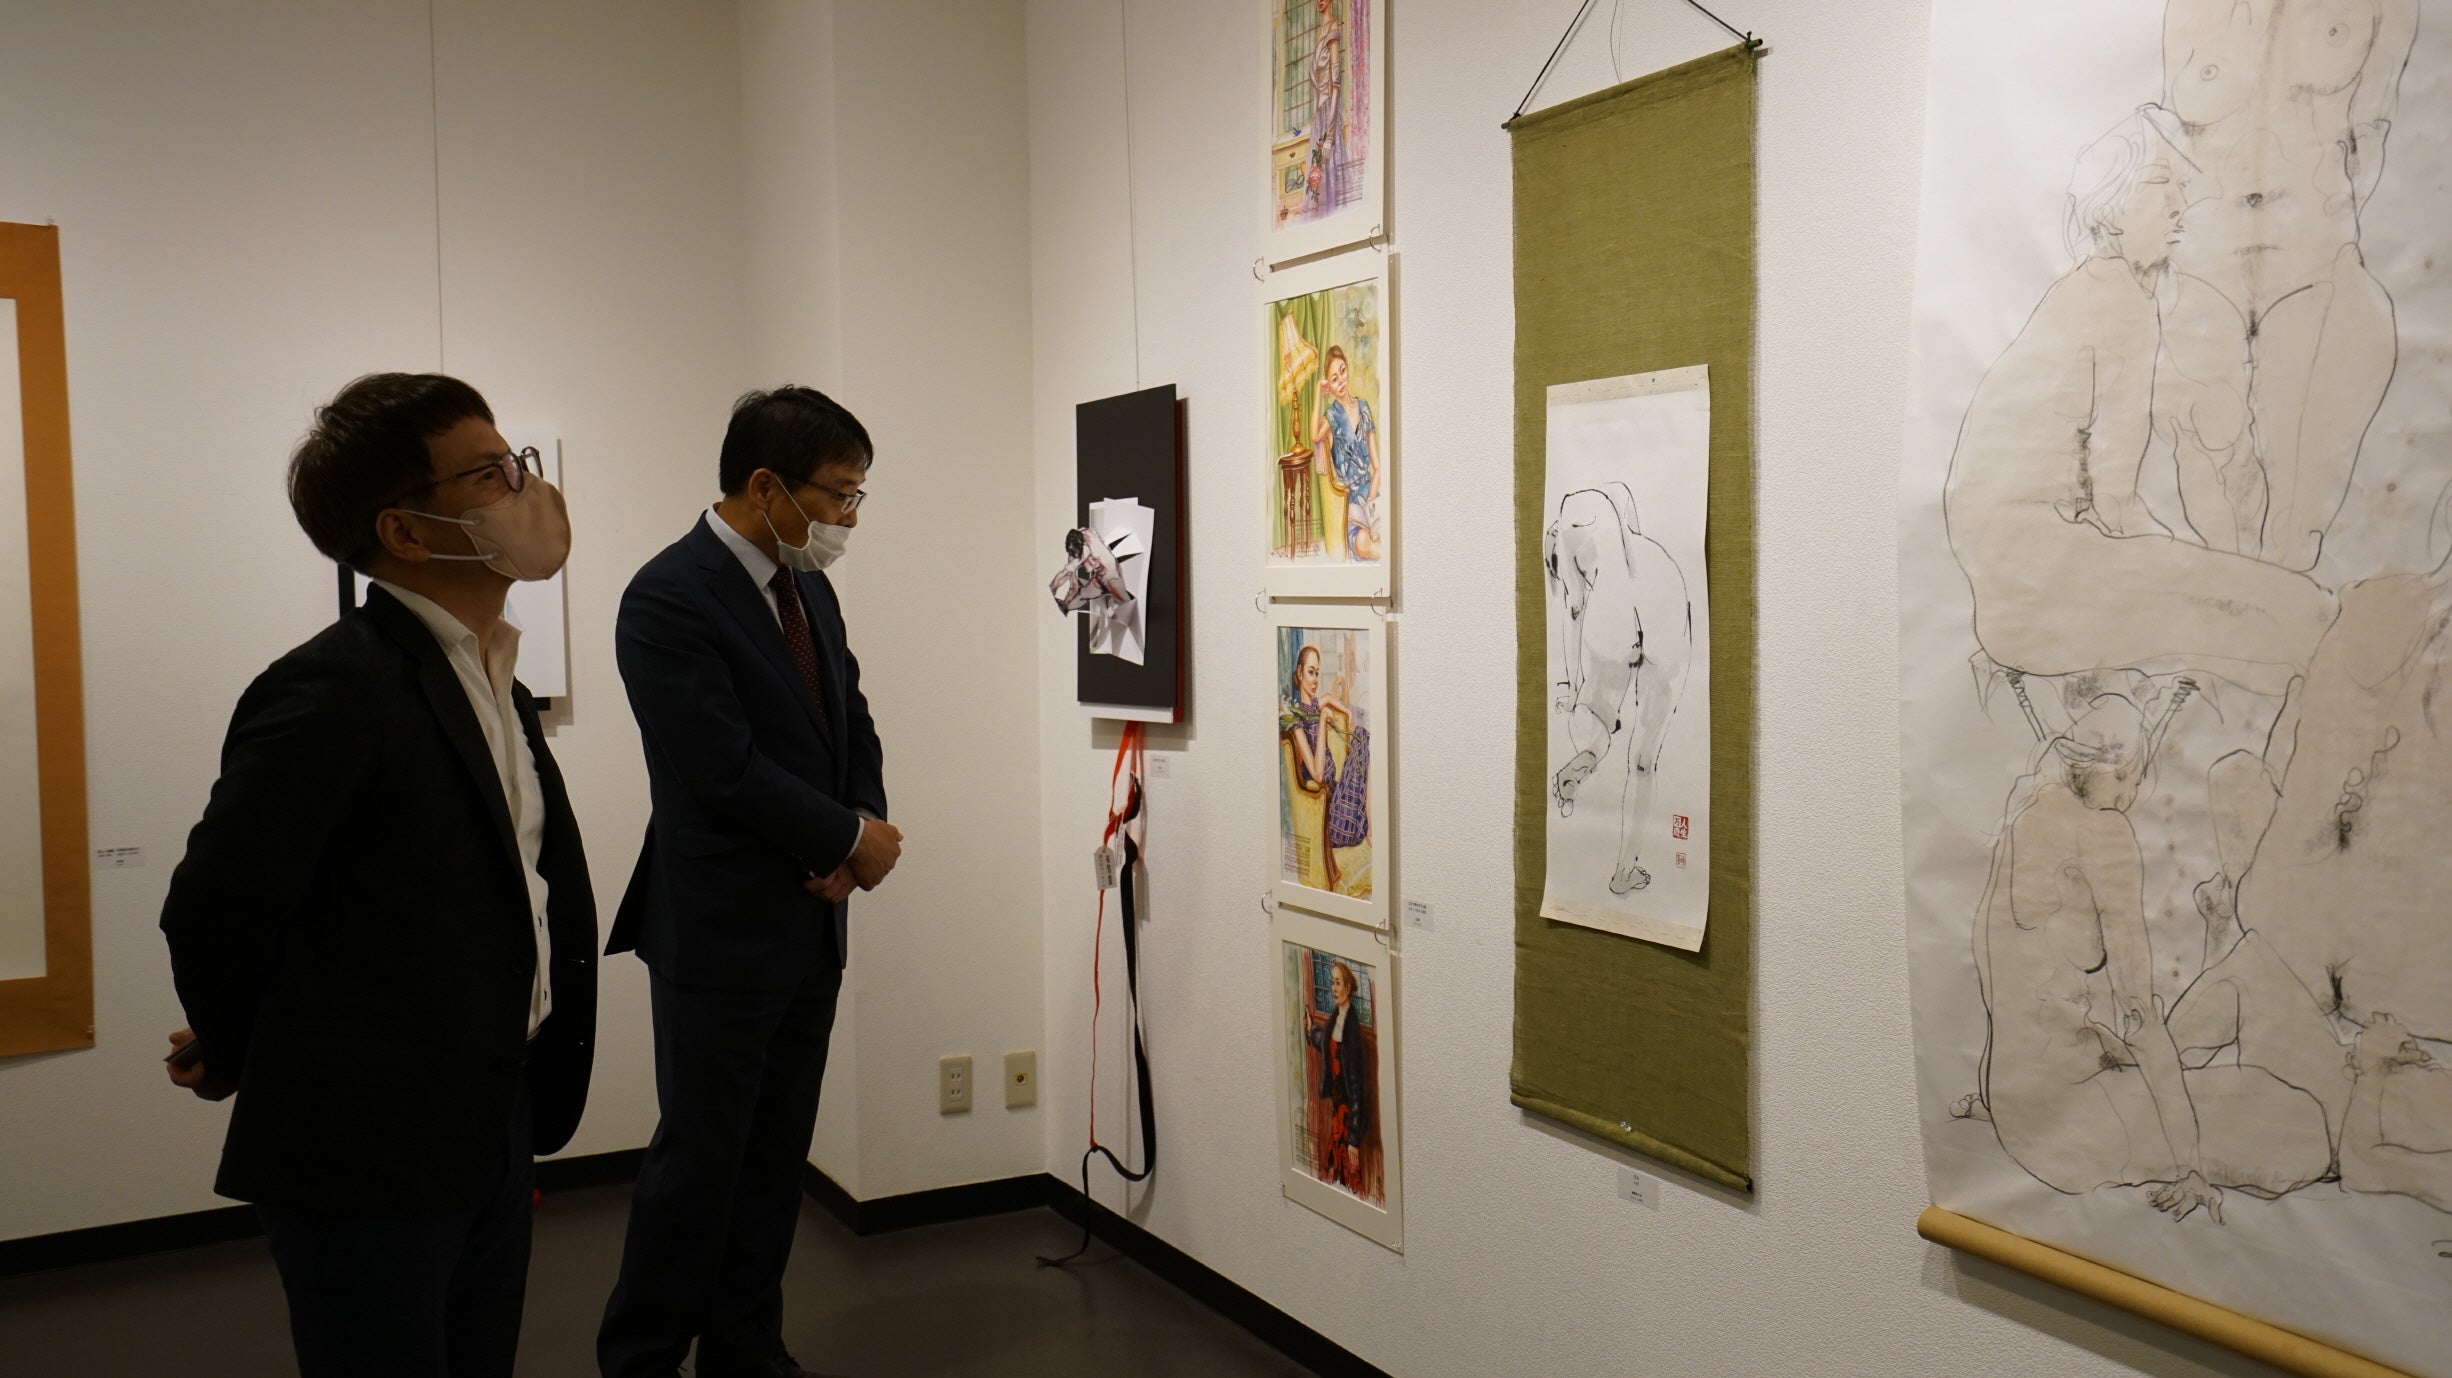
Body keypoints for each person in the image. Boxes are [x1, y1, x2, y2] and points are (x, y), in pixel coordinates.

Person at [159, 372, 597, 1378]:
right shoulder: (333, 688)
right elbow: (215, 906)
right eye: (489, 475)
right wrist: (240, 1046)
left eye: (517, 462)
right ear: (403, 531)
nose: (524, 488)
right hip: (368, 1147)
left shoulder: (494, 680)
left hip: (492, 1113)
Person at [599, 386, 900, 1378]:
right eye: (839, 495)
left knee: (775, 1160)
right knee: (699, 1163)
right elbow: (718, 766)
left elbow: (850, 719)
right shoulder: (667, 595)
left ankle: (745, 1347)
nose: (848, 518)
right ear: (766, 485)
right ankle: (641, 1357)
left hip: (810, 922)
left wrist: (859, 825)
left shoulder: (808, 587)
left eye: (857, 496)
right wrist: (848, 836)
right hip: (720, 928)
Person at [1942, 109, 2336, 699]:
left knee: (2275, 620)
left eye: (2182, 183)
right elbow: (2117, 501)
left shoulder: (2092, 286)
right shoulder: (2117, 300)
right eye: (2158, 183)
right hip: (2049, 589)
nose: (2180, 202)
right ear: (2111, 205)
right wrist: (2199, 568)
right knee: (2301, 611)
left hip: (2022, 586)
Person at [1961, 695, 2331, 1219]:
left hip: (2018, 1106)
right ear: (2124, 769)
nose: (2137, 792)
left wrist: (1997, 1098)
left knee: (2241, 1007)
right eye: (2137, 777)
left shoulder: (2024, 816)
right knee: (2301, 1124)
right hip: (2072, 1129)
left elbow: (1996, 985)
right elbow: (2143, 1019)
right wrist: (2189, 1166)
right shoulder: (2104, 833)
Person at [2155, 0, 2414, 570]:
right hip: (2204, 256)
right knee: (2214, 486)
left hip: (2311, 255)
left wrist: (2323, 227)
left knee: (2297, 515)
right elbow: (2171, 131)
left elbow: (2372, 128)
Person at [1281, 642, 1352, 894]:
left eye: (1318, 673)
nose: (1315, 679)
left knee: (1363, 740)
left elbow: (1329, 698)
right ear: (1299, 673)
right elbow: (1318, 773)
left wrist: (1346, 713)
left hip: (1337, 790)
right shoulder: (1297, 720)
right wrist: (1322, 720)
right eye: (1311, 672)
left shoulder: (1314, 705)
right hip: (1330, 803)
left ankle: (1373, 833)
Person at [1302, 960, 1374, 1197]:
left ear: (1348, 988)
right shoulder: (1335, 1018)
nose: (1333, 988)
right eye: (1332, 983)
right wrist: (1311, 1029)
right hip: (1336, 1111)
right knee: (1334, 1170)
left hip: (1347, 1114)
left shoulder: (1351, 1031)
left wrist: (1354, 1138)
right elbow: (1327, 1043)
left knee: (1348, 1172)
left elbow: (1357, 1087)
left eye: (1338, 983)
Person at [1311, 345, 1382, 560]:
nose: (1341, 380)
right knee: (1362, 542)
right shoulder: (1332, 416)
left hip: (1371, 494)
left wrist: (1371, 500)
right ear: (1329, 386)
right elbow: (1314, 436)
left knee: (1385, 533)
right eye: (1334, 379)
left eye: (1342, 371)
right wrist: (1317, 392)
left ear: (1348, 369)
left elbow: (1377, 467)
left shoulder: (1364, 407)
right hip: (1349, 503)